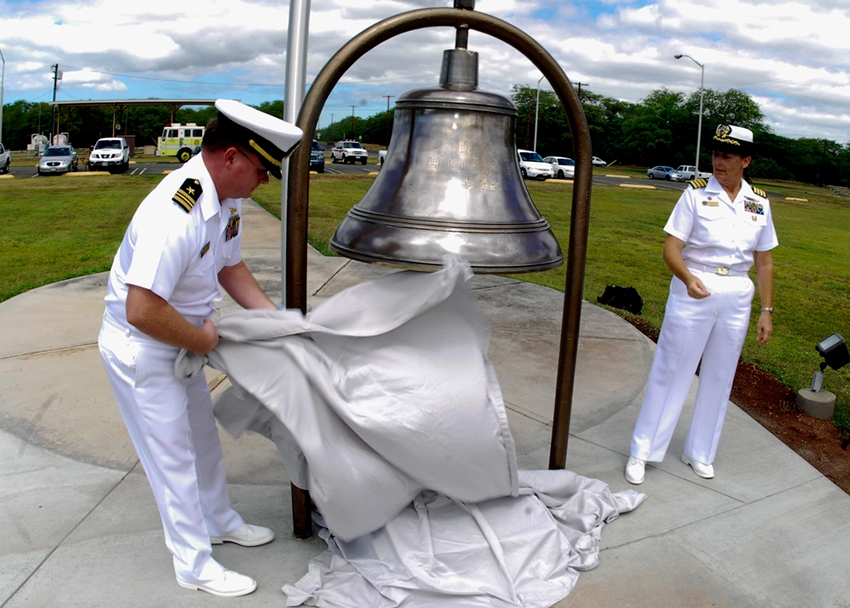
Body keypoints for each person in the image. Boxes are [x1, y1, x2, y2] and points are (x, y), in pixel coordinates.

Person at [98, 99, 302, 597]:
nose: (265, 182)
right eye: (261, 170)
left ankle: (218, 520)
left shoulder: (225, 200)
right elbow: (142, 309)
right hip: (145, 348)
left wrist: (275, 321)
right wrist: (204, 338)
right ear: (231, 157)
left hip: (181, 339)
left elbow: (229, 267)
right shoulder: (177, 212)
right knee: (171, 459)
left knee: (201, 444)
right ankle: (194, 564)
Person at [625, 124, 778, 485]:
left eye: (727, 156)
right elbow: (671, 248)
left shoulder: (759, 202)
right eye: (715, 154)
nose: (717, 161)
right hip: (695, 287)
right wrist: (687, 277)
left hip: (737, 293)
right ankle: (642, 450)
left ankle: (700, 452)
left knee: (720, 376)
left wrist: (766, 311)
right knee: (672, 370)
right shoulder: (695, 195)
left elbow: (765, 261)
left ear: (746, 160)